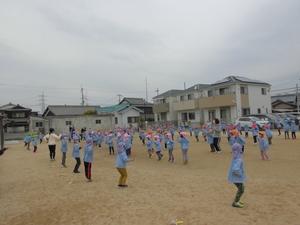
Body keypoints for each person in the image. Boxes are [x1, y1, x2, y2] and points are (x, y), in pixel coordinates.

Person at [228, 143, 246, 208]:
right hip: (237, 178)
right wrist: (241, 174)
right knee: (241, 189)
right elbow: (235, 169)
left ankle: (237, 201)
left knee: (241, 188)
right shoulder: (238, 158)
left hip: (234, 177)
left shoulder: (235, 156)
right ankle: (235, 202)